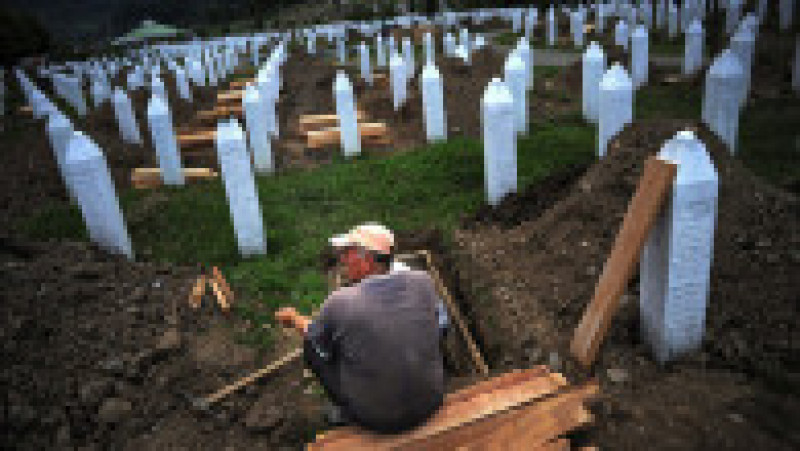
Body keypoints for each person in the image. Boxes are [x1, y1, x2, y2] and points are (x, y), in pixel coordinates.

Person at [275, 223, 449, 433]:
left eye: (347, 253)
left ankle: (349, 410)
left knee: (313, 347)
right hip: (432, 401)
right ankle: (417, 380)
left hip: (379, 419)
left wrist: (294, 318)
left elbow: (315, 337)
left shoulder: (340, 302)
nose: (342, 259)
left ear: (367, 262)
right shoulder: (422, 281)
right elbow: (442, 324)